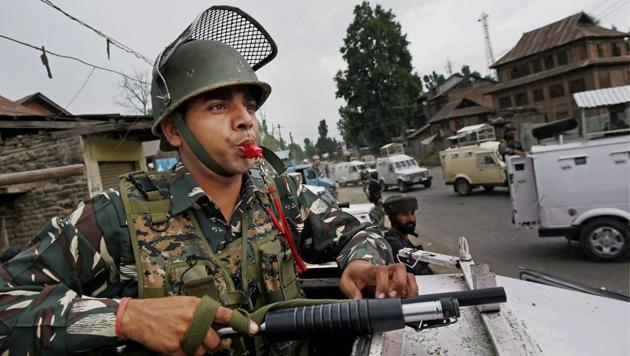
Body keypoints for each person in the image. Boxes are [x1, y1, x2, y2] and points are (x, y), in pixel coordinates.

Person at [0, 7, 417, 355]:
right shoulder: (115, 218)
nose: (246, 119)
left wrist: (365, 263)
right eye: (219, 106)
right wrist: (126, 317)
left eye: (248, 105)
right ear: (174, 131)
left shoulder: (279, 194)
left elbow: (358, 232)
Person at [383, 195, 433, 275]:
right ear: (393, 218)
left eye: (412, 213)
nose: (411, 219)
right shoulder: (394, 244)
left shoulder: (402, 238)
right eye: (404, 214)